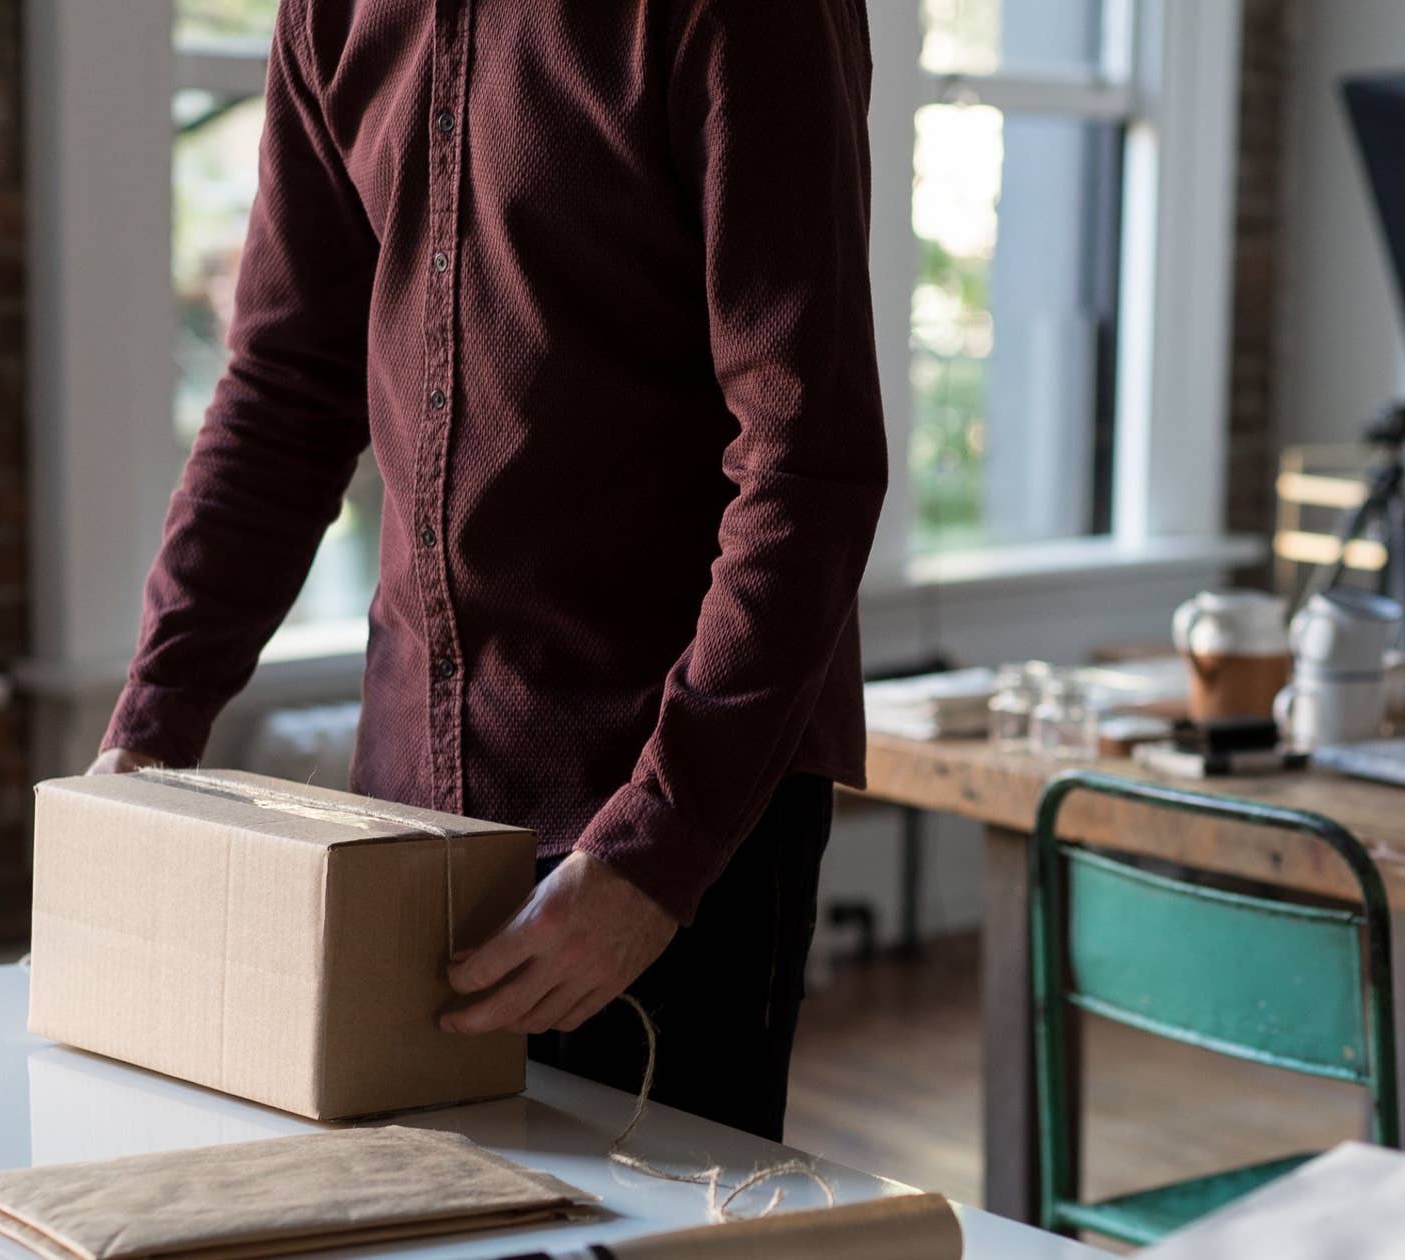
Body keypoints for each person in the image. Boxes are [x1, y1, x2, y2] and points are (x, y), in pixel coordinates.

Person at [86, 0, 884, 1144]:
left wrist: (655, 852)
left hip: (670, 811)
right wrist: (147, 739)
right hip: (405, 821)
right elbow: (283, 396)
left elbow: (810, 463)